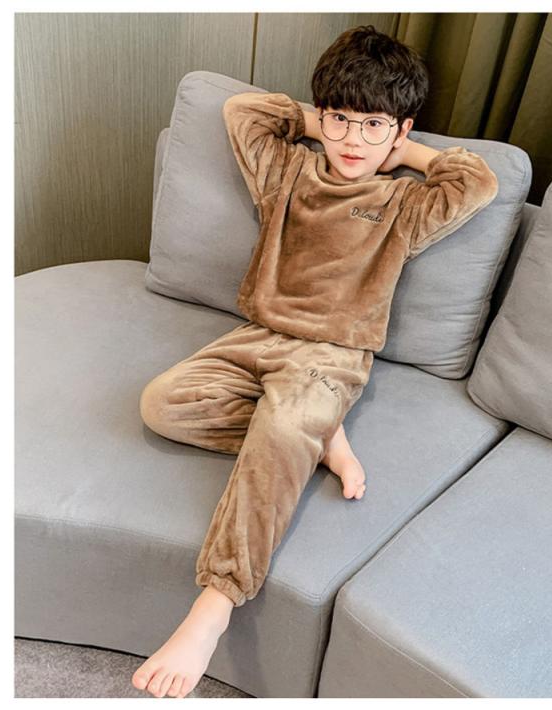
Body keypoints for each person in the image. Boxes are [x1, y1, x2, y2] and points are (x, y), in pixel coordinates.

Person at [131, 25, 498, 699]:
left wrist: (402, 151)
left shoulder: (405, 205)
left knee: (283, 423)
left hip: (332, 357)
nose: (354, 139)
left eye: (373, 125)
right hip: (255, 338)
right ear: (321, 116)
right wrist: (316, 119)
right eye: (340, 119)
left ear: (400, 129)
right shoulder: (287, 172)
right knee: (163, 403)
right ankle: (317, 436)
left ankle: (215, 603)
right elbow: (243, 112)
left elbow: (476, 181)